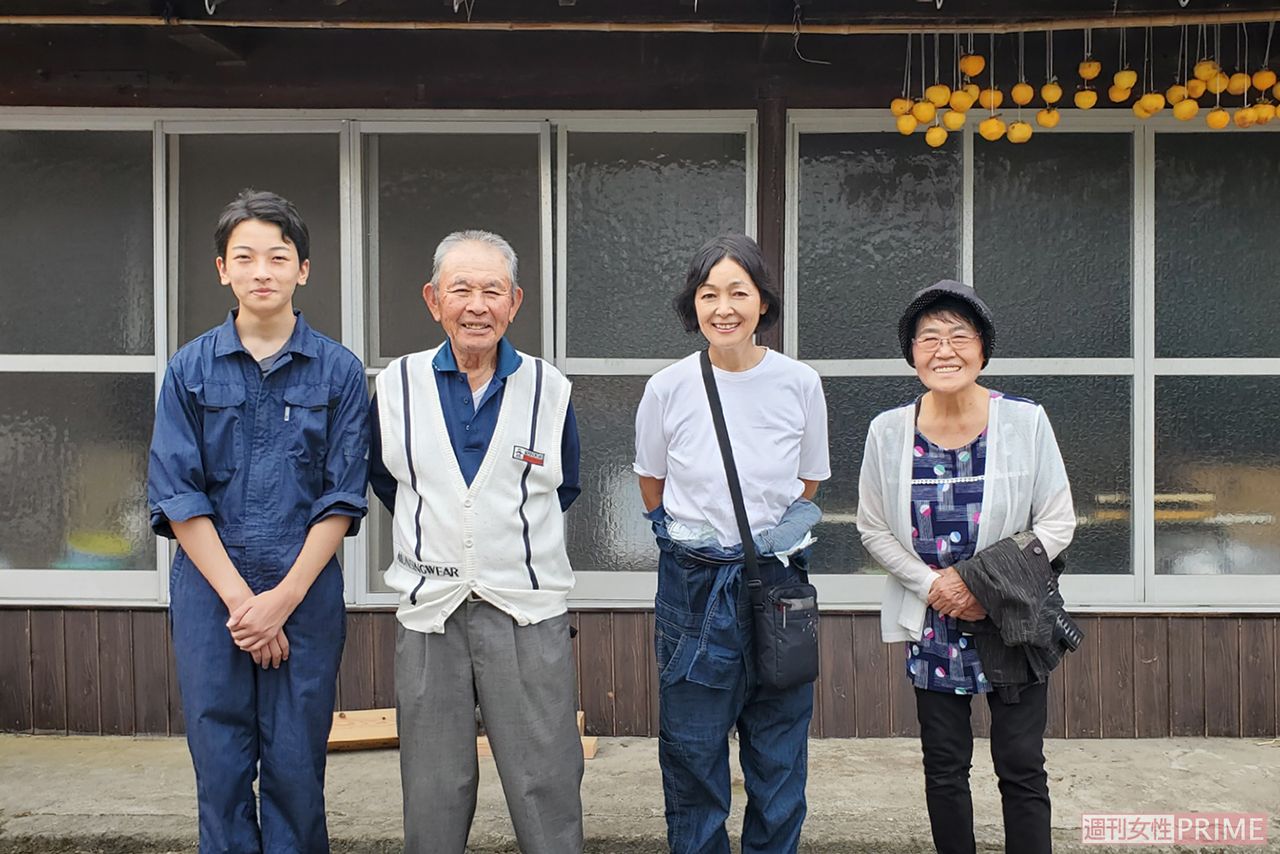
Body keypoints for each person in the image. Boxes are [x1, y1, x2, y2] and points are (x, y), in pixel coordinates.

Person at [147, 190, 370, 853]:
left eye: (278, 256)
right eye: (245, 257)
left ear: (304, 269)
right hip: (212, 589)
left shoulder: (339, 371)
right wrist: (247, 606)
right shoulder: (189, 369)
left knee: (298, 764)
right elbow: (177, 493)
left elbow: (342, 497)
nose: (261, 270)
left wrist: (283, 601)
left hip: (303, 587)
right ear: (222, 269)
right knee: (219, 763)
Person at [368, 229, 584, 854]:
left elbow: (562, 484)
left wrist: (497, 542)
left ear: (515, 303)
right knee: (434, 787)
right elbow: (386, 479)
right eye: (461, 289)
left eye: (493, 290)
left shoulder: (549, 388)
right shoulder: (395, 386)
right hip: (429, 612)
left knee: (545, 780)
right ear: (433, 300)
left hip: (527, 612)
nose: (477, 304)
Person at [856, 280, 1076, 854]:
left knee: (1022, 765)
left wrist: (978, 583)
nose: (944, 350)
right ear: (911, 353)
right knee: (945, 767)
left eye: (959, 336)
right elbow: (872, 527)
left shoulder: (1025, 422)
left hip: (1013, 618)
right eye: (928, 338)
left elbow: (1057, 522)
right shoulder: (887, 431)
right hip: (933, 620)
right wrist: (934, 585)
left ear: (982, 349)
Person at [634, 234, 831, 854]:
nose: (724, 307)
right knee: (693, 756)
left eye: (738, 292)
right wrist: (693, 538)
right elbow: (651, 482)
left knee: (778, 759)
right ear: (693, 305)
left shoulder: (799, 382)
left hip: (777, 581)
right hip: (693, 585)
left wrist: (765, 536)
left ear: (762, 301)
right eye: (709, 293)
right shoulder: (667, 387)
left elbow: (810, 478)